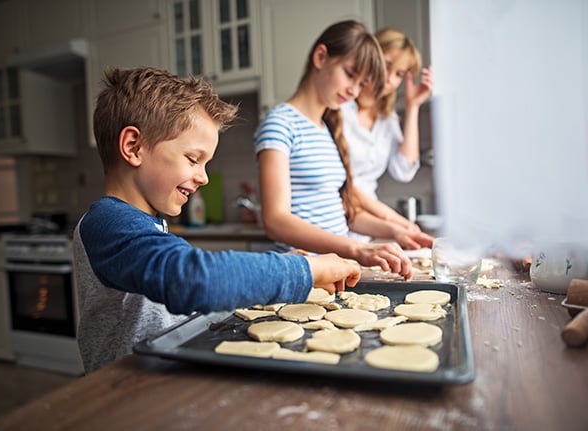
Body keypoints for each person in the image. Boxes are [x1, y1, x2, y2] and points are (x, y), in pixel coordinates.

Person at [73, 67, 361, 373]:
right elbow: (191, 279)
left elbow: (183, 302)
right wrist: (303, 269)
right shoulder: (108, 223)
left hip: (164, 382)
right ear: (133, 146)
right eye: (193, 159)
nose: (204, 178)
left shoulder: (144, 221)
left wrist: (275, 268)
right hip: (124, 397)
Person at [254, 20, 424, 278]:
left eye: (361, 83)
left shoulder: (326, 129)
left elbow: (345, 213)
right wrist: (356, 249)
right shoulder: (280, 123)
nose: (354, 90)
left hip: (335, 273)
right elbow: (276, 222)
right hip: (303, 274)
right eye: (350, 74)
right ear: (321, 57)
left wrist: (395, 232)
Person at [341, 28, 434, 245]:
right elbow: (342, 185)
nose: (389, 79)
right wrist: (394, 222)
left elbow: (404, 170)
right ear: (369, 56)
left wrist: (413, 107)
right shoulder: (339, 109)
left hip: (365, 229)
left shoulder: (387, 118)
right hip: (337, 221)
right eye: (386, 64)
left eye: (399, 74)